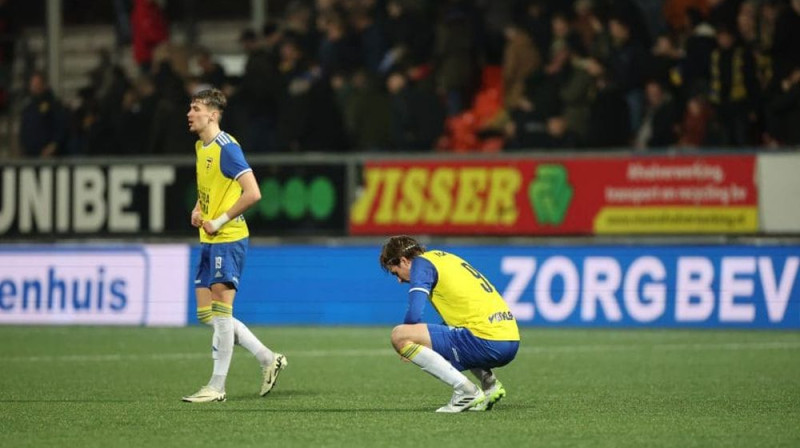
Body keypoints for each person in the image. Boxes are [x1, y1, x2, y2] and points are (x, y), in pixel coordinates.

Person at [182, 88, 287, 403]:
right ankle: (267, 358)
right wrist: (200, 208)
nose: (189, 113)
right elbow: (212, 185)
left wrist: (220, 220)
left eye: (195, 108)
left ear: (212, 114)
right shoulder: (202, 146)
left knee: (223, 313)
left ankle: (217, 386)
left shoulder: (228, 148)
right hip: (209, 238)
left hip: (228, 239)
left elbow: (253, 193)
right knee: (206, 313)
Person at [379, 236, 520, 413]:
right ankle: (490, 386)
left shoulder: (421, 265)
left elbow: (414, 314)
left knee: (399, 335)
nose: (399, 280)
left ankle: (465, 391)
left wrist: (408, 344)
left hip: (487, 341)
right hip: (510, 339)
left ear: (404, 260)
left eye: (396, 272)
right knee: (446, 334)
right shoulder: (443, 257)